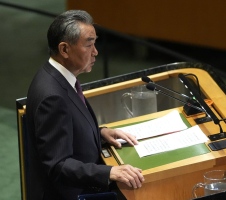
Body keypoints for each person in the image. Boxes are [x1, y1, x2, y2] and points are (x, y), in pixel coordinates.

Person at [26, 10, 144, 200]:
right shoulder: (52, 96)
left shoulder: (58, 77)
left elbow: (65, 130)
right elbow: (58, 165)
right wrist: (109, 173)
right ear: (64, 49)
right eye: (89, 44)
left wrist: (100, 133)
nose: (96, 51)